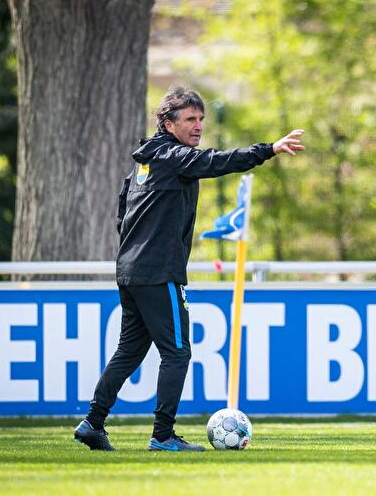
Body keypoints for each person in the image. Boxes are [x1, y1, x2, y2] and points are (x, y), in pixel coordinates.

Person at [74, 85, 305, 451]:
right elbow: (217, 162)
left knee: (129, 351)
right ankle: (163, 435)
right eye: (190, 119)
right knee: (177, 352)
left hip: (131, 271)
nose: (198, 126)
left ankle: (92, 422)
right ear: (168, 123)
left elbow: (122, 214)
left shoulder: (142, 165)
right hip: (158, 272)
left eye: (201, 119)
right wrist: (269, 150)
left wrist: (138, 247)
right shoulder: (174, 156)